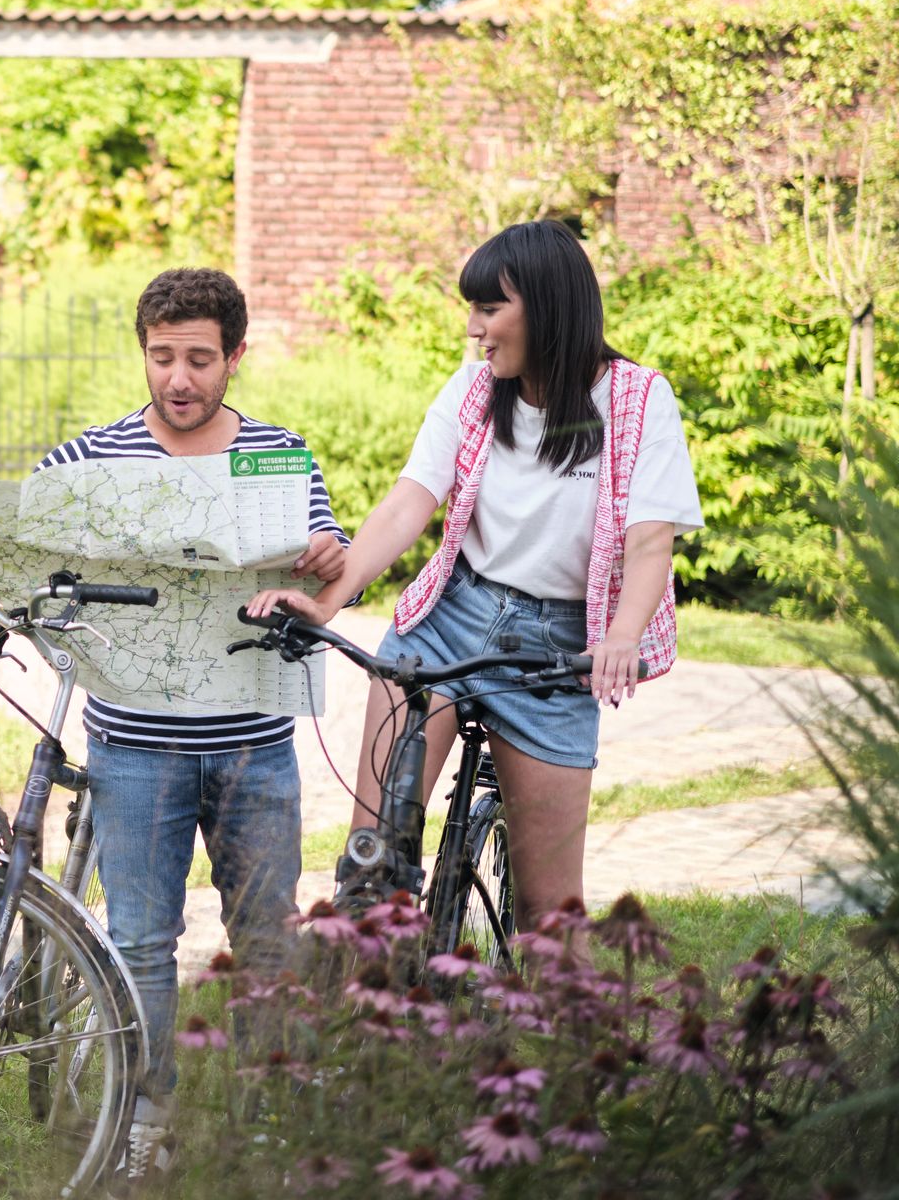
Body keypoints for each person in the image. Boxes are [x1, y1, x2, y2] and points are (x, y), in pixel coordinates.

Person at [0, 267, 348, 1189]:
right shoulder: (85, 464)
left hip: (254, 742)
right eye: (163, 356)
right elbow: (10, 534)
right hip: (133, 746)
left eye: (201, 359)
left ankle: (269, 1117)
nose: (180, 378)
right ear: (143, 351)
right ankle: (146, 1114)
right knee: (138, 943)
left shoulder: (280, 458)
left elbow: (327, 570)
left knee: (265, 937)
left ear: (236, 358)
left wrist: (329, 560)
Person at [247, 220, 703, 937]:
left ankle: (564, 1047)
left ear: (547, 306)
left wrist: (620, 638)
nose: (474, 329)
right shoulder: (473, 389)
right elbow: (410, 501)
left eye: (490, 309)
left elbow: (650, 545)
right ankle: (371, 1023)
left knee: (550, 925)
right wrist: (330, 601)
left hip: (562, 645)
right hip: (451, 616)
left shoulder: (639, 401)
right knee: (372, 873)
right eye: (473, 309)